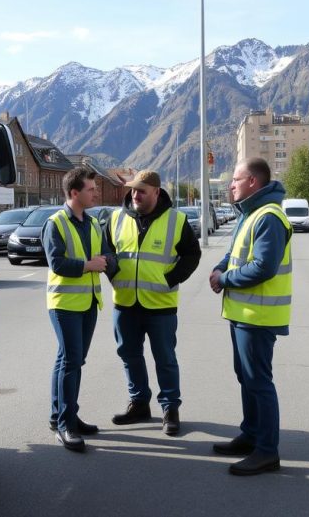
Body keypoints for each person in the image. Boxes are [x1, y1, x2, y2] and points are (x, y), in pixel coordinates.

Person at [209, 157, 292, 476]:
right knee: (247, 377)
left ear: (253, 182)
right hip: (244, 313)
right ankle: (251, 434)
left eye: (236, 179)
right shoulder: (252, 213)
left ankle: (267, 451)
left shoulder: (268, 216)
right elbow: (236, 254)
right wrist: (220, 267)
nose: (231, 184)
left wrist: (225, 280)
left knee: (258, 381)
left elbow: (263, 266)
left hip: (258, 314)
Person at [105, 170, 201, 436]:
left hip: (161, 305)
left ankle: (170, 408)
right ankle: (139, 403)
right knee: (129, 355)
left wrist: (170, 278)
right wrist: (113, 274)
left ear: (156, 193)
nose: (135, 195)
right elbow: (107, 252)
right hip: (125, 302)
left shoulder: (176, 220)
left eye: (141, 191)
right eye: (133, 190)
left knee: (165, 358)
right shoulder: (115, 218)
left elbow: (192, 254)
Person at [44, 167, 118, 452]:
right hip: (64, 305)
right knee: (71, 361)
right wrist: (89, 265)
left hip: (88, 302)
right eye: (91, 189)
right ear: (74, 193)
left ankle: (62, 415)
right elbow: (57, 263)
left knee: (70, 360)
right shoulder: (56, 223)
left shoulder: (93, 223)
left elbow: (107, 254)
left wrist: (108, 262)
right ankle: (65, 426)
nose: (96, 193)